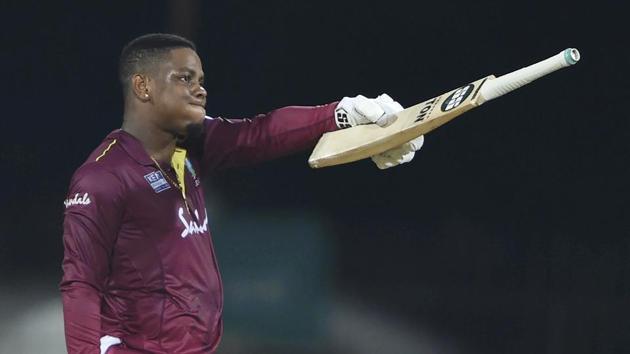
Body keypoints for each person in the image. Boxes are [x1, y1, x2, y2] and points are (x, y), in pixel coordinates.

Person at [60, 33, 424, 354]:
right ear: (143, 87)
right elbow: (81, 285)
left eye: (201, 80)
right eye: (185, 79)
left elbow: (262, 132)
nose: (200, 89)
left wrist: (341, 114)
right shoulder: (101, 178)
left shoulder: (193, 146)